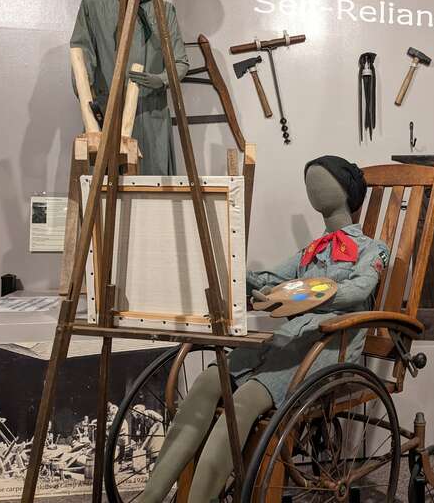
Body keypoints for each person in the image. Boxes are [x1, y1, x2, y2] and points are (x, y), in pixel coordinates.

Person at [139, 156, 389, 503]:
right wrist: (234, 273)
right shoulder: (310, 252)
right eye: (310, 182)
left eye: (323, 182)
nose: (314, 188)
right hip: (289, 340)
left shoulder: (371, 248)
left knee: (243, 400)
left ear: (346, 191)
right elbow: (270, 278)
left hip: (331, 344)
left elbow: (360, 289)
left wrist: (309, 294)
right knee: (210, 381)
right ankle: (151, 496)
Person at [69, 0, 189, 175]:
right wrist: (94, 119)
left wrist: (160, 80)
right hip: (110, 119)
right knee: (112, 196)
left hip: (153, 118)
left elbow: (180, 63)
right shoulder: (94, 5)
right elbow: (81, 67)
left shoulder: (163, 10)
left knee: (155, 196)